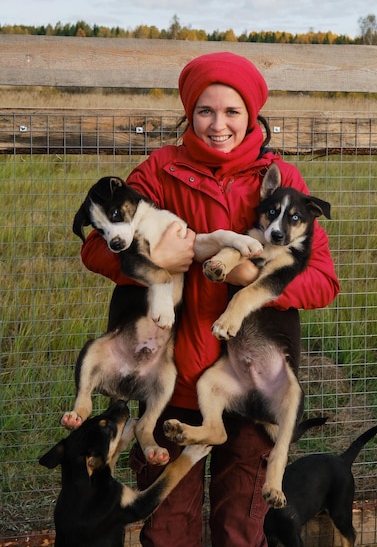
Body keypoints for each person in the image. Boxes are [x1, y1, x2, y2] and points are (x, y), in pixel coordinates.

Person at [80, 51, 340, 547]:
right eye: (205, 110)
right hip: (172, 379)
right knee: (166, 527)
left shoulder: (280, 183)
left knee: (243, 528)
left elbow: (323, 281)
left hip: (247, 380)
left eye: (232, 112)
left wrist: (253, 280)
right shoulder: (159, 170)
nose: (218, 125)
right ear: (188, 113)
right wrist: (163, 263)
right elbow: (96, 248)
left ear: (252, 114)